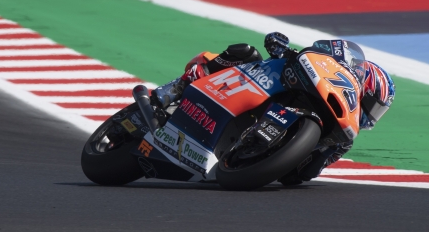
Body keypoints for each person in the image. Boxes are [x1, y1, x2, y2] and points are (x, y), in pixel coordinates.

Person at [150, 32, 396, 186]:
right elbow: (306, 54)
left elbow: (305, 174)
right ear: (365, 84)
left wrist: (311, 154)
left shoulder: (341, 142)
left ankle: (251, 146)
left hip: (249, 164)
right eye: (373, 105)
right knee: (247, 53)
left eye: (377, 112)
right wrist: (282, 49)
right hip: (253, 86)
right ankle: (173, 90)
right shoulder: (333, 71)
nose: (371, 114)